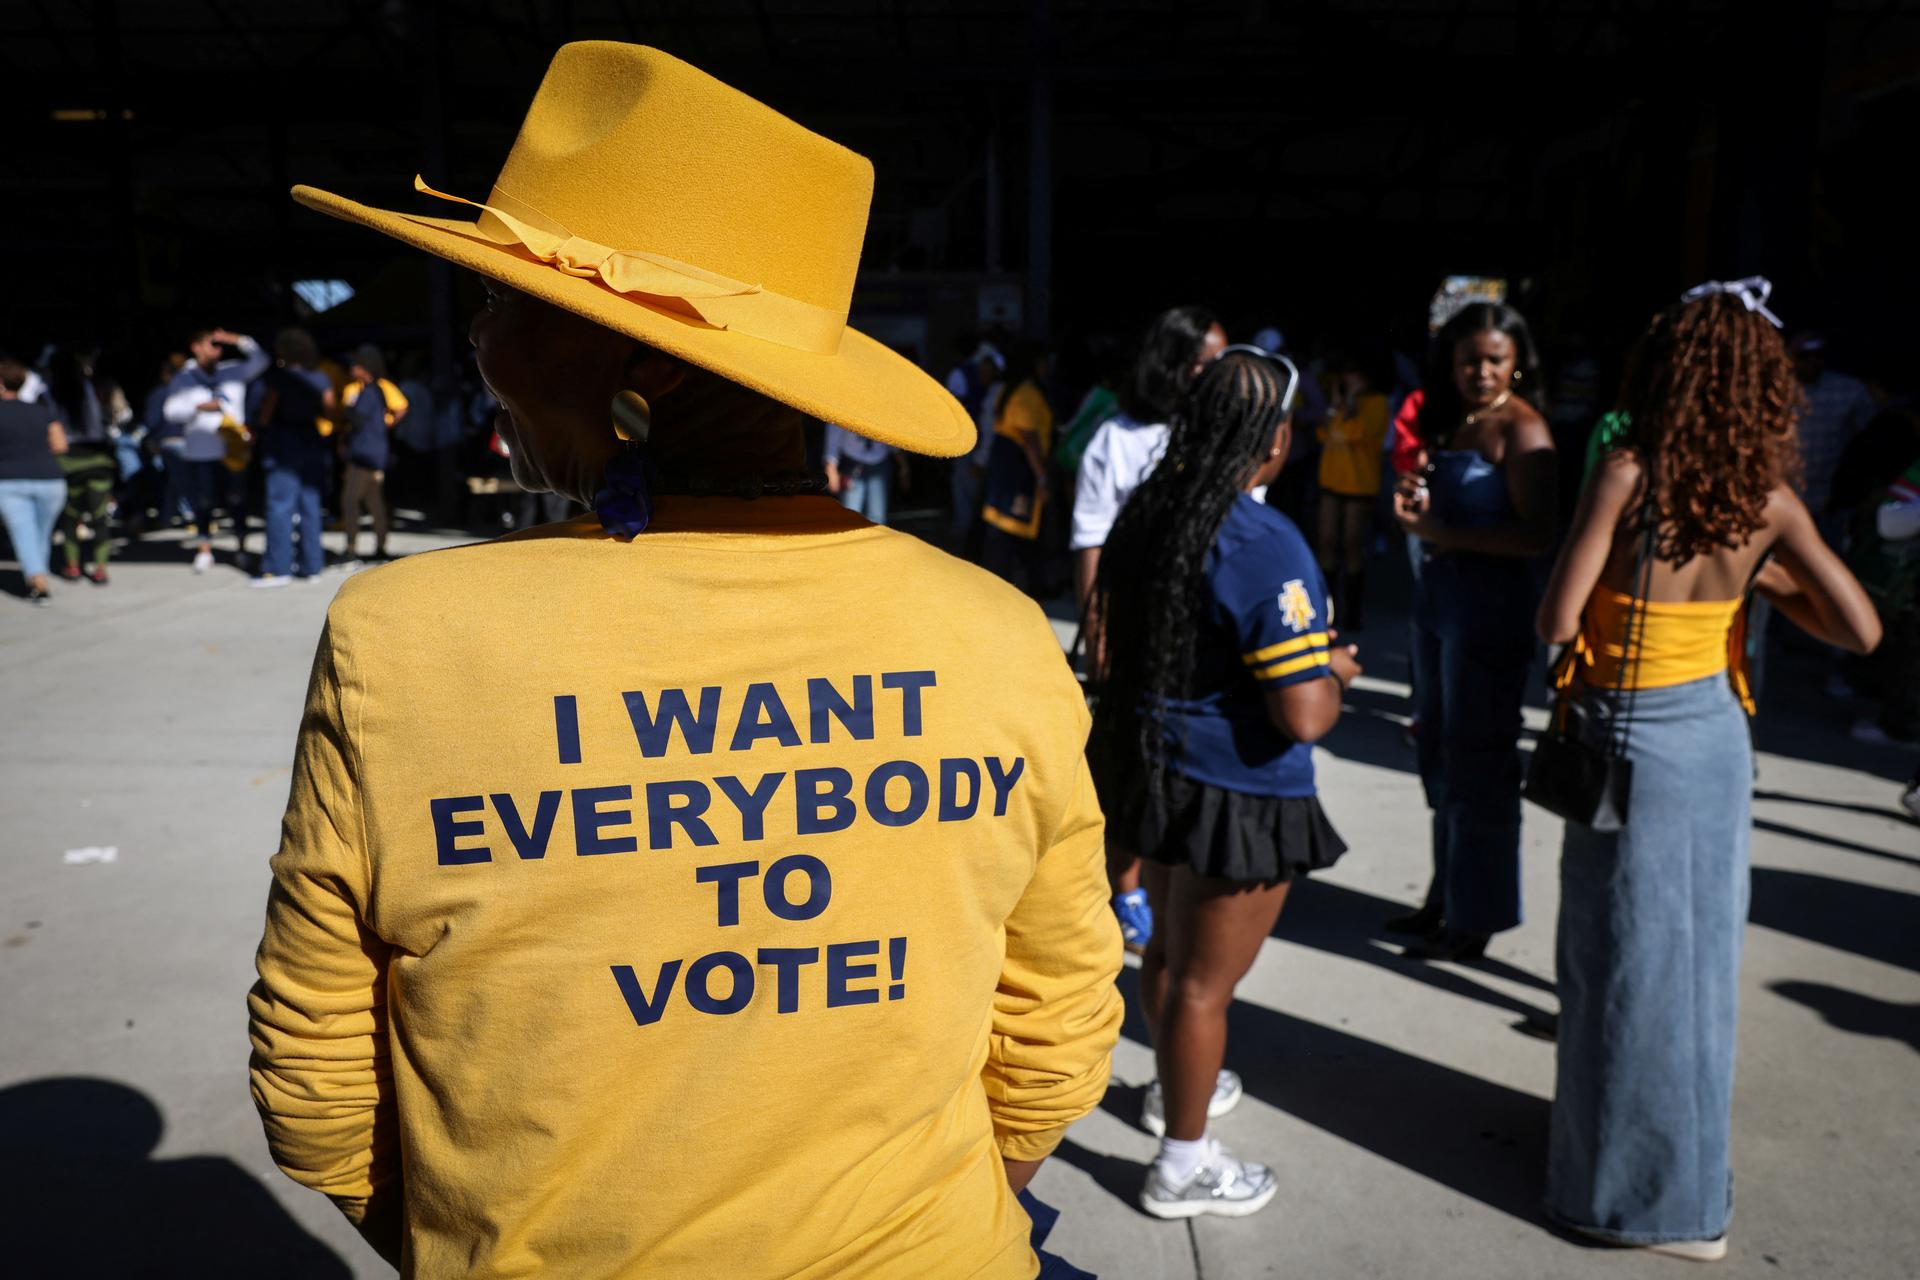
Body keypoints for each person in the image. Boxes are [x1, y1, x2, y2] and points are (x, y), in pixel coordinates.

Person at [248, 42, 1121, 1279]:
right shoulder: (990, 630)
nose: (479, 351)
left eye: (503, 309)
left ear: (635, 375)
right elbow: (1058, 1031)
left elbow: (318, 1086)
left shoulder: (400, 638)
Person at [1535, 281, 1880, 1261]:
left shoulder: (1626, 470)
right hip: (1715, 740)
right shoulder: (1769, 502)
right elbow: (1861, 628)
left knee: (1617, 962)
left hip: (1624, 735)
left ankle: (1619, 1194)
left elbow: (1556, 621)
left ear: (1668, 373)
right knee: (1692, 968)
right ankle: (1689, 1186)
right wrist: (1765, 577)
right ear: (1760, 388)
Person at [1090, 347, 1358, 1220]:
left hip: (1156, 770)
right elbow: (1305, 714)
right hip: (1234, 790)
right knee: (1203, 985)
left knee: (1168, 960)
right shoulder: (1262, 539)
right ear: (1275, 439)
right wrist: (1336, 668)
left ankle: (1179, 1092)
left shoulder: (1153, 508)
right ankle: (1183, 1163)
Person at [1388, 302, 1556, 960]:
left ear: (1517, 362)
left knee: (1479, 759)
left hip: (1489, 609)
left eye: (1494, 359)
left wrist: (1441, 533)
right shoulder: (1451, 417)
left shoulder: (1526, 430)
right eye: (1469, 360)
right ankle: (1445, 896)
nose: (1480, 372)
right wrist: (1419, 503)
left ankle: (1474, 915)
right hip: (1439, 601)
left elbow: (1539, 532)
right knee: (1437, 752)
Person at [1070, 304, 1225, 952]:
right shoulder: (1119, 439)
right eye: (1207, 363)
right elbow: (1091, 543)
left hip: (1204, 637)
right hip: (1136, 635)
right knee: (1130, 767)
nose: (1219, 375)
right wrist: (1100, 638)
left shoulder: (1219, 440)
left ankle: (1170, 883)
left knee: (1183, 767)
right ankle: (1126, 886)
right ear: (1174, 365)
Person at [162, 327, 269, 572]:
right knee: (203, 502)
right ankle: (204, 549)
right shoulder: (184, 378)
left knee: (238, 501)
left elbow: (261, 360)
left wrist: (237, 339)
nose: (218, 349)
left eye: (220, 346)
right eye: (212, 344)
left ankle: (241, 547)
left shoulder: (233, 370)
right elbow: (170, 411)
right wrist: (199, 407)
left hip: (232, 450)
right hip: (201, 451)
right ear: (196, 347)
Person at [250, 329, 337, 587]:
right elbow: (332, 411)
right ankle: (312, 566)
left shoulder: (279, 378)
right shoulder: (320, 377)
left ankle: (279, 568)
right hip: (311, 439)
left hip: (283, 441)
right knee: (310, 503)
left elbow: (266, 413)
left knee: (280, 505)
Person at [1315, 349, 1392, 631]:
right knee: (1326, 541)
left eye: (1354, 374)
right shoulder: (1339, 405)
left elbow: (1356, 433)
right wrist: (1336, 405)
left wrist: (1347, 404)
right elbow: (1323, 434)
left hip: (1360, 483)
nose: (1349, 379)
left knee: (1351, 545)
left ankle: (1353, 611)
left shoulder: (1376, 403)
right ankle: (1327, 606)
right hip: (1331, 480)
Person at [979, 343, 1055, 592]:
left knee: (1005, 532)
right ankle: (1012, 586)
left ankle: (1020, 584)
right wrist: (1042, 478)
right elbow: (1030, 439)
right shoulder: (1027, 394)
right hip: (1019, 469)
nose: (1047, 367)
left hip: (1005, 467)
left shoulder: (1011, 390)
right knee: (1011, 531)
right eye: (1043, 362)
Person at [1787, 330, 1877, 539]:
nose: (1812, 362)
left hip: (1832, 502)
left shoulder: (1849, 390)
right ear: (1789, 356)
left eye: (1818, 355)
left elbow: (1871, 438)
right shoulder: (1774, 390)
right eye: (1804, 356)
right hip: (1787, 497)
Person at [0, 357, 70, 605]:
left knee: (24, 533)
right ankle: (38, 573)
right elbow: (60, 445)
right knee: (39, 534)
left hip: (8, 481)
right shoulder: (42, 411)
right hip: (50, 480)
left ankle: (38, 581)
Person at [45, 348, 117, 585]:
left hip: (67, 462)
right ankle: (100, 568)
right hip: (97, 460)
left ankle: (73, 565)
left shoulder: (48, 394)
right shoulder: (89, 388)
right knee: (99, 519)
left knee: (70, 519)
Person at [337, 344, 408, 564]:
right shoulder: (369, 389)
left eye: (356, 364)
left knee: (350, 500)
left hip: (364, 453)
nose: (352, 368)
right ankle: (380, 547)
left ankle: (350, 550)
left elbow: (400, 408)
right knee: (374, 501)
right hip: (374, 451)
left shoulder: (370, 391)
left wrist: (383, 424)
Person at [822, 423, 896, 524]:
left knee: (877, 516)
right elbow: (834, 428)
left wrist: (900, 459)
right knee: (851, 514)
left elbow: (893, 430)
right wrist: (831, 467)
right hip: (851, 461)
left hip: (879, 462)